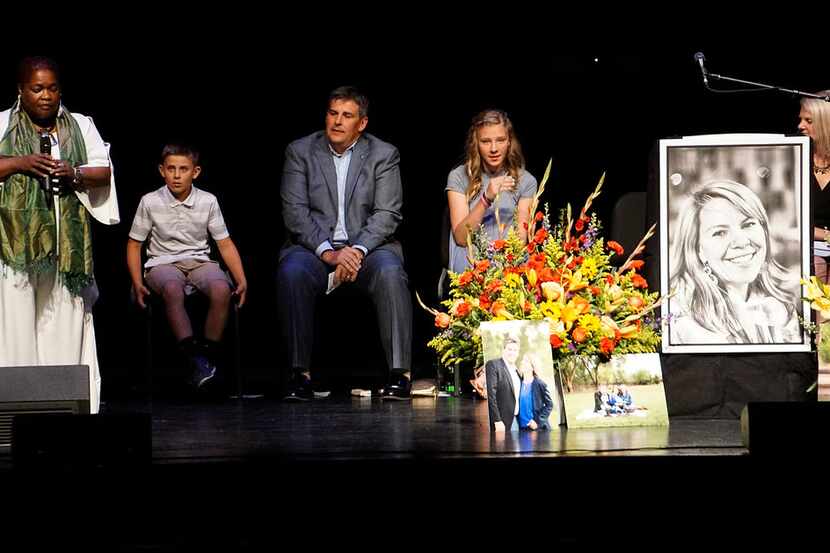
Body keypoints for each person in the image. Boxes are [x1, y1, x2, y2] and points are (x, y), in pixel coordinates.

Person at [277, 86, 412, 401]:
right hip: (315, 248)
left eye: (346, 116)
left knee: (391, 273)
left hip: (369, 248)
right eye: (332, 113)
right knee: (292, 272)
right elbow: (294, 213)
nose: (337, 122)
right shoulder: (300, 151)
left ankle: (399, 373)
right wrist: (329, 252)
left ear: (361, 124)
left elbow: (387, 213)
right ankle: (299, 374)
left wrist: (355, 251)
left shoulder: (383, 154)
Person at [0, 57, 118, 413]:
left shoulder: (79, 126)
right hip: (14, 249)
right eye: (37, 88)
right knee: (15, 330)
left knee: (62, 331)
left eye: (52, 88)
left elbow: (104, 172)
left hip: (67, 252)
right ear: (21, 90)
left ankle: (62, 410)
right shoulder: (3, 124)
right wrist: (21, 162)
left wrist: (74, 172)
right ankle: (17, 412)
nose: (46, 95)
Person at [127, 144, 248, 388]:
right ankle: (195, 360)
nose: (177, 175)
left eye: (183, 169)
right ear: (162, 171)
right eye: (171, 169)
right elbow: (133, 244)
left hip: (199, 261)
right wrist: (137, 282)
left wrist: (241, 278)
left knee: (222, 289)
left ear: (196, 171)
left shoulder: (207, 201)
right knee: (172, 288)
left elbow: (224, 243)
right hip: (162, 262)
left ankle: (207, 358)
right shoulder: (150, 201)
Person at [668, 180, 800, 344]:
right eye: (720, 232)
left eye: (748, 224)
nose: (742, 241)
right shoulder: (679, 320)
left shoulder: (782, 305)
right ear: (697, 249)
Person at [446, 109, 537, 274]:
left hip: (508, 264)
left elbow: (521, 238)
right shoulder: (459, 176)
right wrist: (486, 198)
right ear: (476, 144)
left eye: (500, 140)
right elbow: (460, 238)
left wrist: (501, 269)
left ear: (509, 141)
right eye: (486, 141)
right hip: (470, 265)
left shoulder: (526, 181)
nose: (494, 148)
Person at [798, 91, 830, 285]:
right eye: (801, 119)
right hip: (808, 249)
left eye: (808, 121)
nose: (800, 126)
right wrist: (825, 235)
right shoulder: (797, 156)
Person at [485, 336, 522, 432]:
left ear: (518, 353)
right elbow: (491, 395)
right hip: (502, 422)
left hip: (517, 420)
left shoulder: (517, 371)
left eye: (515, 350)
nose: (512, 353)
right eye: (509, 349)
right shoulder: (494, 365)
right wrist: (497, 420)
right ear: (504, 350)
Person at [517, 354, 553, 430]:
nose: (523, 362)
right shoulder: (518, 383)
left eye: (526, 361)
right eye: (523, 360)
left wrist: (537, 422)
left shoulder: (539, 384)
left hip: (537, 428)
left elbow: (549, 404)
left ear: (532, 367)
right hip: (522, 428)